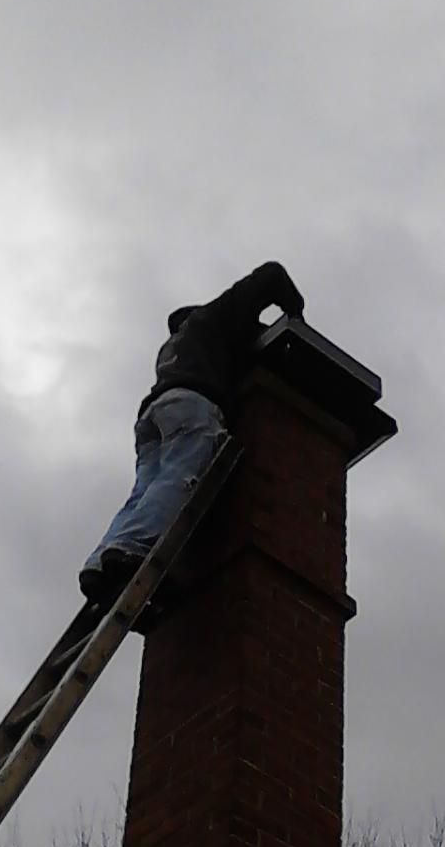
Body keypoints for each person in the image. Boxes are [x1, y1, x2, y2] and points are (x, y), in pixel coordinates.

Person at [78, 260, 305, 606]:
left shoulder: (175, 348)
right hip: (191, 406)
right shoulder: (212, 321)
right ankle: (131, 548)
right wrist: (296, 314)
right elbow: (271, 274)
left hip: (155, 415)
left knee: (144, 491)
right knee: (181, 477)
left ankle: (102, 559)